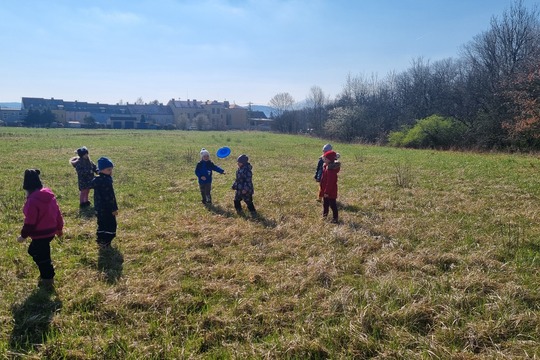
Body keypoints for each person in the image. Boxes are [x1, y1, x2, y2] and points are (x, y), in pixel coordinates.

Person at [17, 169, 64, 288]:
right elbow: (57, 213)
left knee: (42, 257)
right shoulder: (49, 196)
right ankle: (46, 272)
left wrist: (23, 236)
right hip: (50, 232)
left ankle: (48, 278)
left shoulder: (32, 201)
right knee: (34, 251)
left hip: (39, 235)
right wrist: (59, 228)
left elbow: (30, 222)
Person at [91, 157, 118, 248]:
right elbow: (110, 197)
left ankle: (100, 239)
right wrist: (114, 208)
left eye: (111, 169)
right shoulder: (106, 181)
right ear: (101, 170)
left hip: (99, 207)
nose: (111, 172)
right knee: (110, 224)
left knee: (101, 223)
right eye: (109, 169)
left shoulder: (97, 180)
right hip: (107, 208)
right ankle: (106, 241)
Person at [319, 150, 341, 223]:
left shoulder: (331, 171)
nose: (324, 159)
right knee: (325, 204)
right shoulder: (326, 167)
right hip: (325, 190)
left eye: (325, 158)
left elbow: (330, 183)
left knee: (332, 205)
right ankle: (324, 215)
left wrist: (326, 192)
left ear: (329, 160)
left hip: (330, 191)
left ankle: (335, 218)